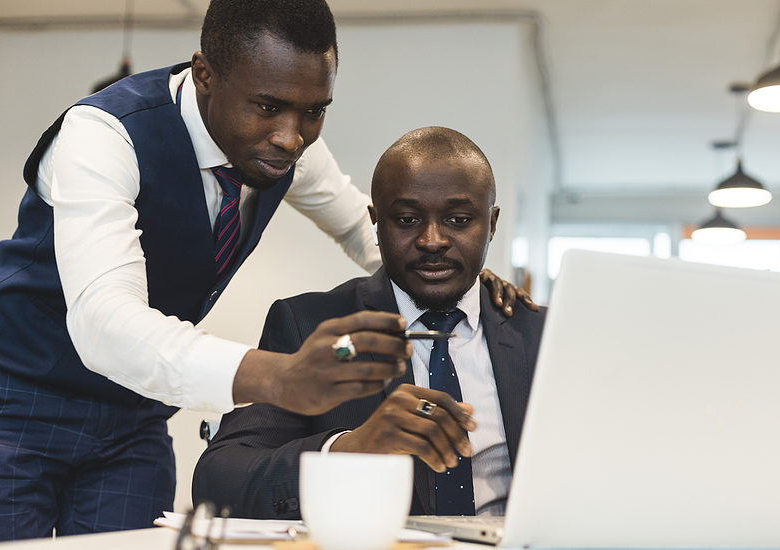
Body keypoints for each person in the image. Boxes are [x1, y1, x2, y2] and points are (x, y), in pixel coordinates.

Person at [0, 0, 533, 543]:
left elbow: (372, 232)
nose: (291, 137)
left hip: (131, 414)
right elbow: (105, 324)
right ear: (205, 74)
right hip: (11, 392)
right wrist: (282, 377)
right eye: (267, 106)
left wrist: (467, 283)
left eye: (314, 112)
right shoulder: (101, 134)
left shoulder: (284, 146)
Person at [192, 126, 547, 519]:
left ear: (492, 224)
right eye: (408, 220)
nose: (432, 240)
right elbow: (218, 482)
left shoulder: (540, 335)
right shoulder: (308, 324)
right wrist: (350, 448)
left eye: (459, 220)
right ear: (376, 222)